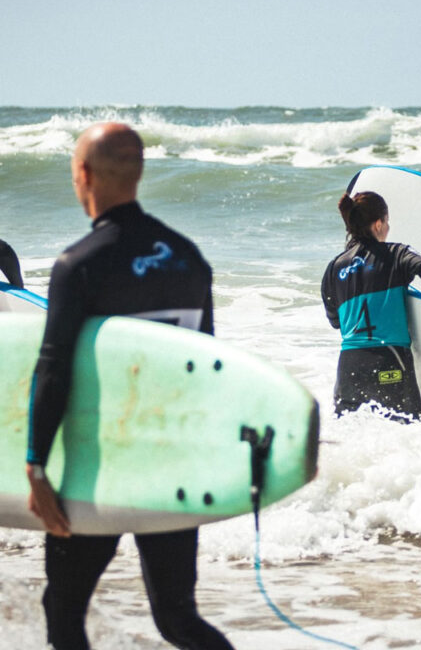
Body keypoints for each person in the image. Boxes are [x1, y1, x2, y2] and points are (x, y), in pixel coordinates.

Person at [26, 123, 234, 650]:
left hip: (102, 467)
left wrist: (35, 466)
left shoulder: (79, 265)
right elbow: (203, 368)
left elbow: (53, 368)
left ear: (84, 175)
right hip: (171, 466)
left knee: (64, 609)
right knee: (177, 617)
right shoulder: (190, 259)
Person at [321, 191, 421, 421]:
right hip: (389, 360)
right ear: (378, 224)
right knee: (409, 433)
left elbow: (335, 321)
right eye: (387, 222)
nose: (388, 228)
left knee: (350, 435)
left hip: (349, 367)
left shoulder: (334, 267)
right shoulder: (395, 254)